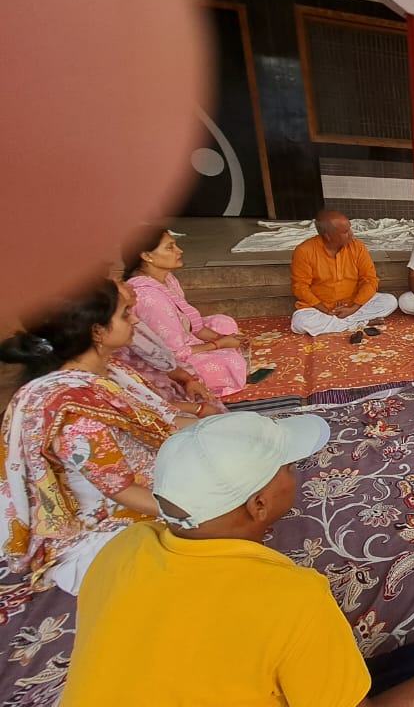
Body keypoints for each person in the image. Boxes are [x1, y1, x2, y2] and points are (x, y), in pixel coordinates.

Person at [62, 411, 414, 706]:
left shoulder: (124, 546)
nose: (298, 471)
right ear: (258, 505)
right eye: (286, 467)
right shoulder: (293, 597)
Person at [0, 279, 191, 593]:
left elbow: (160, 421)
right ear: (97, 332)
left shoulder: (108, 373)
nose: (136, 320)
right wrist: (200, 512)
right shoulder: (75, 411)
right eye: (125, 314)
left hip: (153, 482)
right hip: (112, 520)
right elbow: (123, 490)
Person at [124, 226, 248, 397]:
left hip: (182, 338)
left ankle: (227, 350)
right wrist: (218, 344)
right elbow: (172, 354)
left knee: (223, 322)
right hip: (167, 361)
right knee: (229, 362)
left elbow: (189, 323)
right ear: (147, 256)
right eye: (170, 247)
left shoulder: (167, 278)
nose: (179, 250)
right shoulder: (149, 297)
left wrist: (221, 337)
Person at [113, 281, 226, 418]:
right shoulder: (149, 296)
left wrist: (189, 380)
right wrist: (197, 409)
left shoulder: (128, 336)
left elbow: (163, 360)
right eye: (125, 314)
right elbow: (141, 408)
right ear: (97, 329)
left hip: (172, 387)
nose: (135, 320)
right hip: (161, 411)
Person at [290, 210, 397, 335]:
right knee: (300, 323)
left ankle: (341, 324)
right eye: (345, 232)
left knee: (390, 301)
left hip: (353, 304)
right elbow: (300, 287)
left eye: (350, 228)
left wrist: (353, 308)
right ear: (328, 236)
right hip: (320, 308)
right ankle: (360, 322)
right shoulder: (304, 251)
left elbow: (370, 280)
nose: (351, 234)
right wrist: (325, 310)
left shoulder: (358, 247)